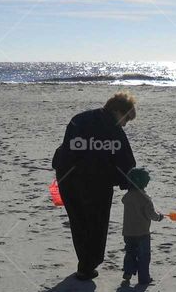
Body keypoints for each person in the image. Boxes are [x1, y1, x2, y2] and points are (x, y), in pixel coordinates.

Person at [52, 91, 137, 280]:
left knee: (79, 222)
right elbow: (124, 161)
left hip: (68, 179)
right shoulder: (113, 128)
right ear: (117, 111)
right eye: (126, 119)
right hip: (96, 183)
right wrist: (130, 182)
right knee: (97, 224)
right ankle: (87, 266)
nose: (125, 124)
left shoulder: (79, 119)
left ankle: (85, 265)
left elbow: (66, 151)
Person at [121, 167, 163, 286]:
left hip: (128, 232)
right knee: (144, 256)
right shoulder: (145, 199)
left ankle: (128, 272)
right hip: (142, 233)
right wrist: (159, 217)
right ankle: (144, 278)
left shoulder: (127, 197)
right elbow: (151, 215)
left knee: (130, 253)